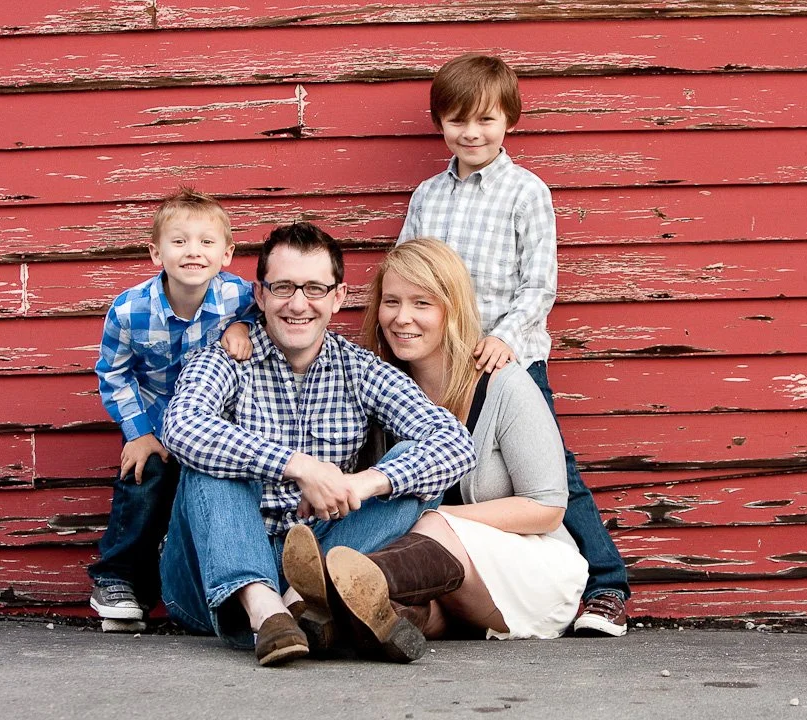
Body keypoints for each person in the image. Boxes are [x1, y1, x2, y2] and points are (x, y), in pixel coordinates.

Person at [157, 222, 476, 666]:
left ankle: (298, 608)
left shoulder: (360, 369)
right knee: (209, 458)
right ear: (261, 295)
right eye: (283, 287)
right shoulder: (225, 358)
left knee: (411, 475)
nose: (298, 304)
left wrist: (363, 483)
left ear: (338, 297)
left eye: (314, 288)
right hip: (210, 578)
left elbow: (455, 443)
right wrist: (301, 467)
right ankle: (266, 609)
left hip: (315, 550)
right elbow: (182, 426)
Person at [397, 53, 631, 635]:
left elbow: (540, 283)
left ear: (510, 121)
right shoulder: (429, 195)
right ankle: (434, 573)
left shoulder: (526, 193)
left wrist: (503, 337)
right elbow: (408, 266)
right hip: (443, 361)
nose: (471, 133)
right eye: (456, 121)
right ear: (440, 123)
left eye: (484, 120)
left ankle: (607, 586)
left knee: (554, 475)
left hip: (510, 358)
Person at [284, 238, 588, 644]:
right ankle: (343, 622)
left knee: (429, 520)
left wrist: (434, 517)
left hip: (529, 574)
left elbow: (547, 508)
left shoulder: (504, 386)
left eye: (422, 304)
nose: (402, 318)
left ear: (452, 309)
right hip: (448, 594)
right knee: (406, 614)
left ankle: (329, 588)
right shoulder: (378, 390)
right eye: (391, 302)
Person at [88, 187, 257, 622]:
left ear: (226, 253)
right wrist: (138, 433)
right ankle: (117, 579)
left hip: (214, 424)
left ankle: (206, 584)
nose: (193, 252)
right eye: (179, 242)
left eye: (206, 242)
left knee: (209, 495)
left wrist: (242, 325)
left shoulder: (241, 298)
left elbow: (268, 312)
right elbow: (113, 372)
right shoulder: (129, 310)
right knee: (145, 478)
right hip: (156, 423)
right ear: (155, 252)